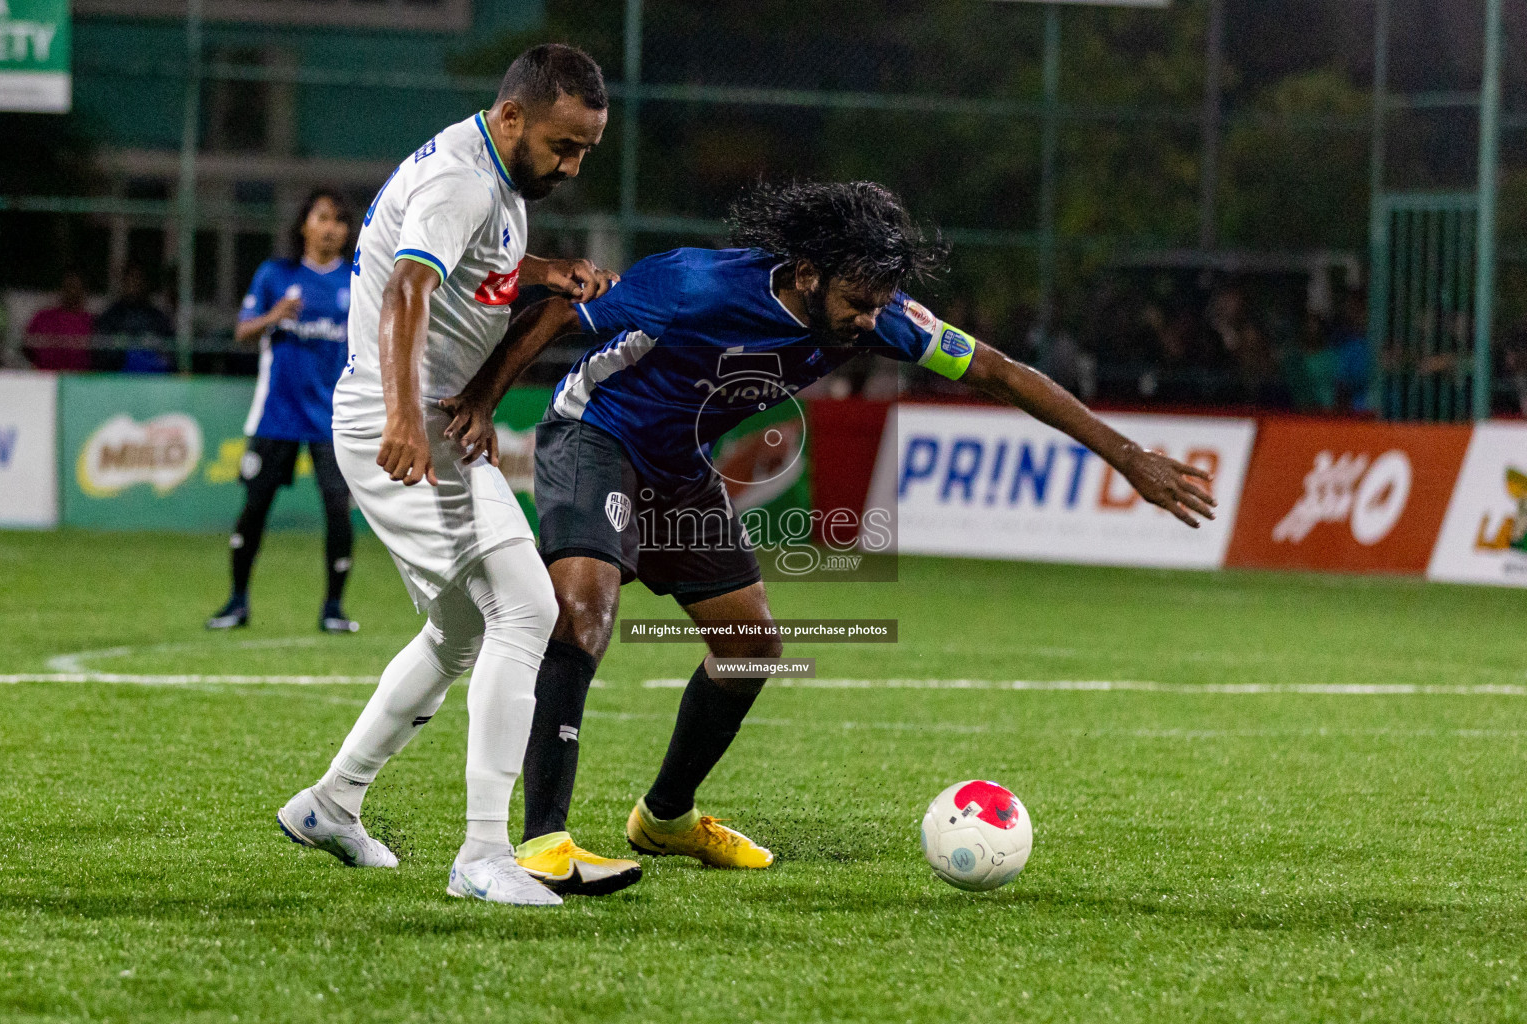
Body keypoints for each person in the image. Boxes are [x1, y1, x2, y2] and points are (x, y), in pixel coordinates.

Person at [441, 180, 1217, 895]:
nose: (869, 318)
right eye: (857, 298)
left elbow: (999, 372)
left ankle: (665, 818)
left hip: (680, 467)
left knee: (752, 646)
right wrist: (481, 398)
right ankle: (544, 843)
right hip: (596, 433)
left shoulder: (884, 320)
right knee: (581, 614)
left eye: (881, 298)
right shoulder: (693, 284)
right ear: (807, 271)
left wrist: (1129, 456)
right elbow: (558, 315)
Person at [274, 44, 620, 908]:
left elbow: (477, 273)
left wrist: (542, 273)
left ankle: (332, 802)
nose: (572, 166)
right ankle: (482, 855)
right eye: (564, 147)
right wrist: (403, 414)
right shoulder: (463, 181)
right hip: (398, 419)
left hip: (427, 414)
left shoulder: (497, 181)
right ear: (512, 117)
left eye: (586, 151)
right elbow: (407, 290)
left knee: (463, 628)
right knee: (528, 609)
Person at [207, 190, 360, 633]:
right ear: (304, 224)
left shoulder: (355, 281)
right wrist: (274, 315)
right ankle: (237, 602)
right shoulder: (276, 274)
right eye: (322, 217)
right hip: (276, 415)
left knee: (337, 509)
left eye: (339, 220)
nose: (331, 227)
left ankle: (333, 608)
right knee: (254, 508)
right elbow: (242, 332)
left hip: (332, 420)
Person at [94, 263, 174, 373]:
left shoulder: (157, 317)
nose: (134, 284)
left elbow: (169, 352)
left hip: (152, 381)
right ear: (123, 283)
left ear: (145, 284)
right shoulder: (111, 316)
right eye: (130, 279)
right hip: (118, 379)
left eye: (138, 279)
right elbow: (101, 353)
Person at [23, 271, 94, 371]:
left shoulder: (92, 321)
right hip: (45, 378)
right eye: (68, 287)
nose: (72, 292)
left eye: (76, 288)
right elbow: (27, 346)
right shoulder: (43, 317)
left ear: (84, 291)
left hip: (79, 380)